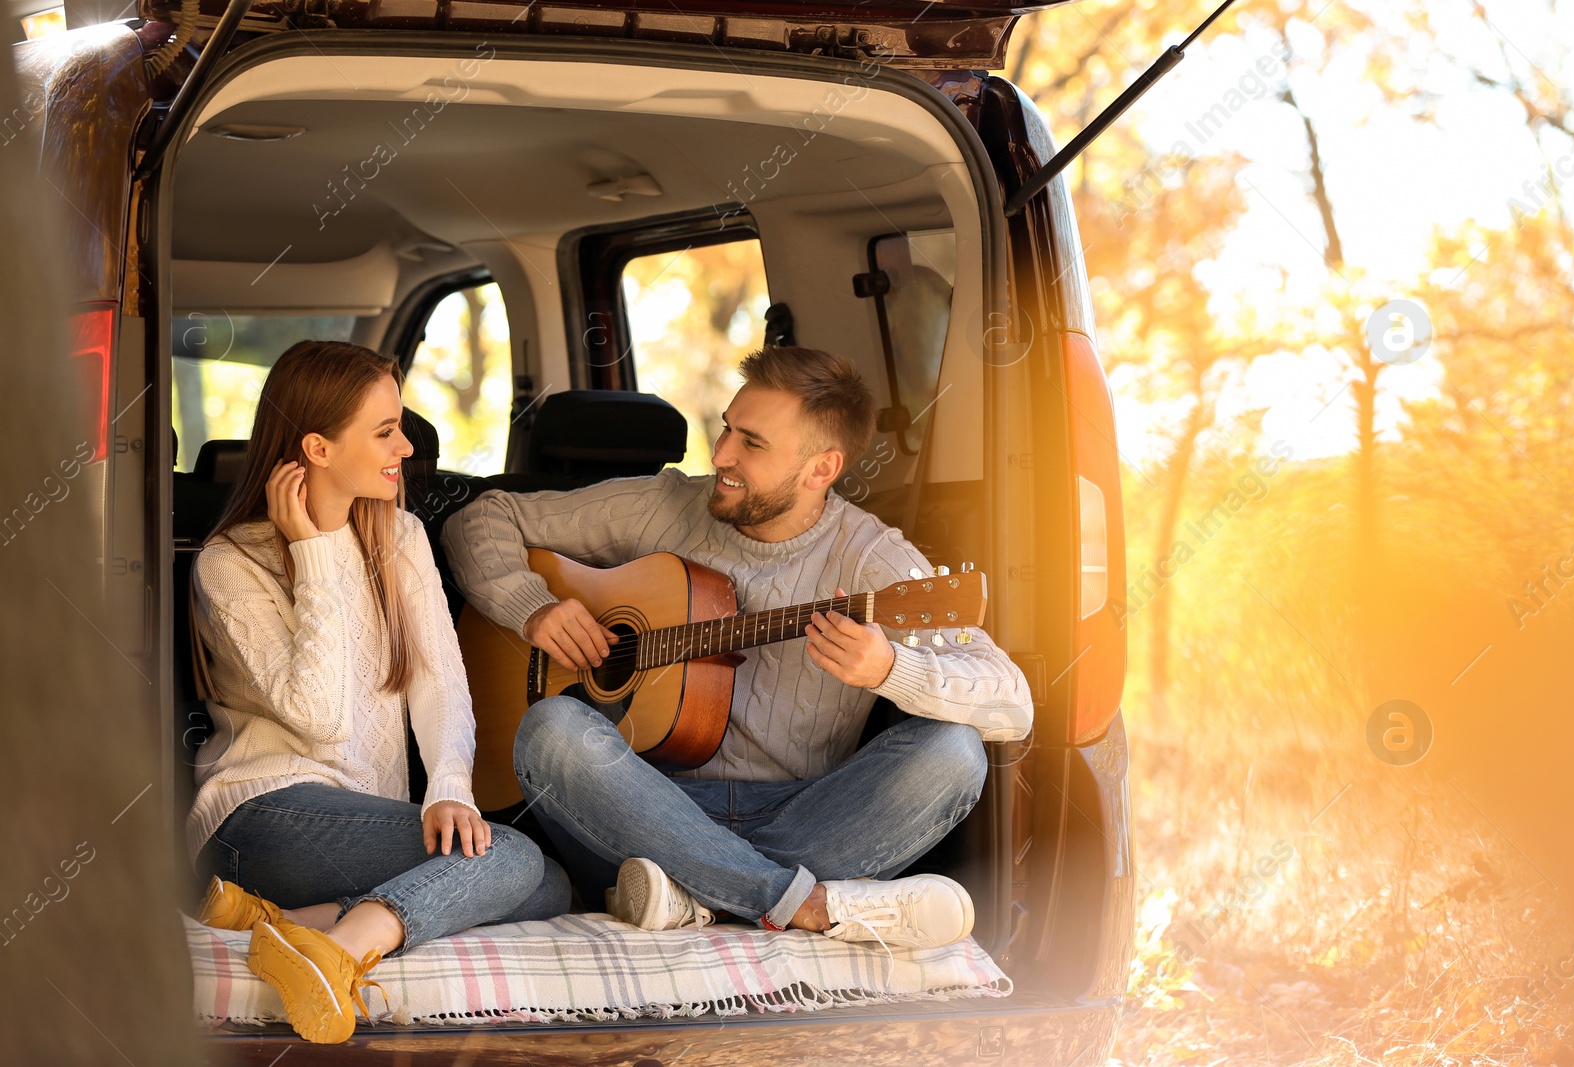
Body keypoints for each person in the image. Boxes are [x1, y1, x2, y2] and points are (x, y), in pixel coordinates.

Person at [443, 346, 1031, 950]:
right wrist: (530, 607)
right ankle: (800, 904)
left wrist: (891, 668)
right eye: (726, 427)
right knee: (552, 729)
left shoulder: (875, 562)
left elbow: (1014, 704)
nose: (720, 454)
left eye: (752, 443)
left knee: (954, 749)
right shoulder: (668, 504)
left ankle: (697, 898)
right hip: (640, 812)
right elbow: (480, 518)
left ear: (821, 469)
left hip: (799, 816)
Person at [186, 340, 570, 1044]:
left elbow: (440, 682)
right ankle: (342, 946)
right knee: (511, 859)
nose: (407, 444)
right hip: (262, 819)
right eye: (385, 430)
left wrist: (450, 785)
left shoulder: (402, 534)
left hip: (359, 819)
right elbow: (323, 721)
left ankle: (291, 925)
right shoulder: (227, 563)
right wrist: (316, 550)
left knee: (550, 881)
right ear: (318, 447)